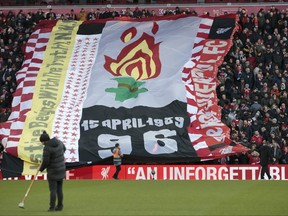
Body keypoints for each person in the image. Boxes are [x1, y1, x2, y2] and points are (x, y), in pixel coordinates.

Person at [39, 131, 66, 211]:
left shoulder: (47, 148)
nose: (42, 144)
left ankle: (52, 208)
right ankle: (60, 206)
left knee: (53, 190)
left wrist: (40, 169)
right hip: (61, 169)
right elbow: (64, 149)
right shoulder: (59, 142)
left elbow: (46, 162)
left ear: (45, 141)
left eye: (42, 142)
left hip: (53, 171)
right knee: (59, 189)